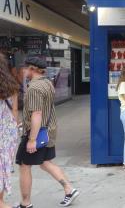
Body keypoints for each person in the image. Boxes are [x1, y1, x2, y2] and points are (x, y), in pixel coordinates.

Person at [14, 57, 79, 208]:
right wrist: (26, 120)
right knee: (44, 163)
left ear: (32, 69)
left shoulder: (34, 88)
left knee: (24, 165)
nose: (23, 71)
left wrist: (31, 140)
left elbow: (37, 113)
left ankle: (25, 203)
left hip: (37, 133)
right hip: (48, 129)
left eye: (25, 68)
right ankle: (69, 189)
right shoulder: (47, 83)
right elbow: (44, 108)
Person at [0, 53, 20, 208]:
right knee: (4, 165)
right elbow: (14, 111)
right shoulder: (11, 85)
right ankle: (1, 200)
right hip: (8, 133)